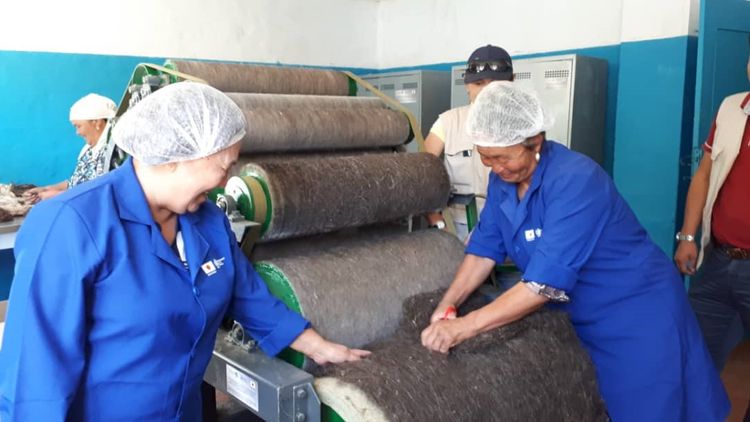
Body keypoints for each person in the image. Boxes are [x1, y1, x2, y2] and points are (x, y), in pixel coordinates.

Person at [0, 82, 369, 421]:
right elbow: (34, 373)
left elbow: (246, 294)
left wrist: (316, 346)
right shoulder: (70, 224)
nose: (226, 181)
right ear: (173, 157)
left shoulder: (208, 221)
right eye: (223, 167)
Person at [420, 81, 729, 421]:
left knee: (647, 407)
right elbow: (483, 250)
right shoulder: (502, 181)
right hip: (577, 316)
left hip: (633, 314)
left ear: (535, 142)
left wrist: (465, 327)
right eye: (486, 158)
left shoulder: (575, 179)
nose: (495, 168)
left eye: (502, 157)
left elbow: (541, 285)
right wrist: (449, 303)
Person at [674, 55, 750, 372]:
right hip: (716, 261)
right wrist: (688, 237)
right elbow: (704, 175)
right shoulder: (730, 108)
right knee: (696, 361)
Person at [424, 44, 514, 240]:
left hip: (508, 225)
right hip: (458, 227)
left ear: (512, 82)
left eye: (495, 84)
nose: (486, 91)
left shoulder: (523, 124)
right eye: (479, 83)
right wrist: (437, 220)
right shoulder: (448, 122)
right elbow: (421, 173)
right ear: (467, 85)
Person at [24, 93, 117, 203]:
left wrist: (55, 195)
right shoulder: (90, 150)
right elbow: (76, 182)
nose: (77, 132)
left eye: (78, 126)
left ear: (97, 122)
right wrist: (47, 189)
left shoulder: (111, 154)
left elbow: (98, 194)